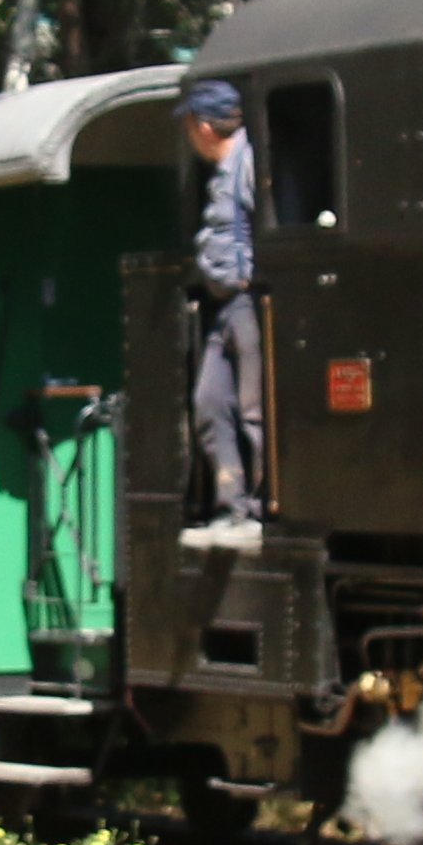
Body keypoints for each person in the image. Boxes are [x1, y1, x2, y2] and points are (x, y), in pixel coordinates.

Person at [179, 80, 263, 528]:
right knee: (210, 403)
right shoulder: (223, 170)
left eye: (191, 125)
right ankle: (231, 504)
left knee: (252, 412)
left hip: (246, 301)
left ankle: (257, 507)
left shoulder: (247, 163)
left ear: (205, 126)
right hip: (223, 305)